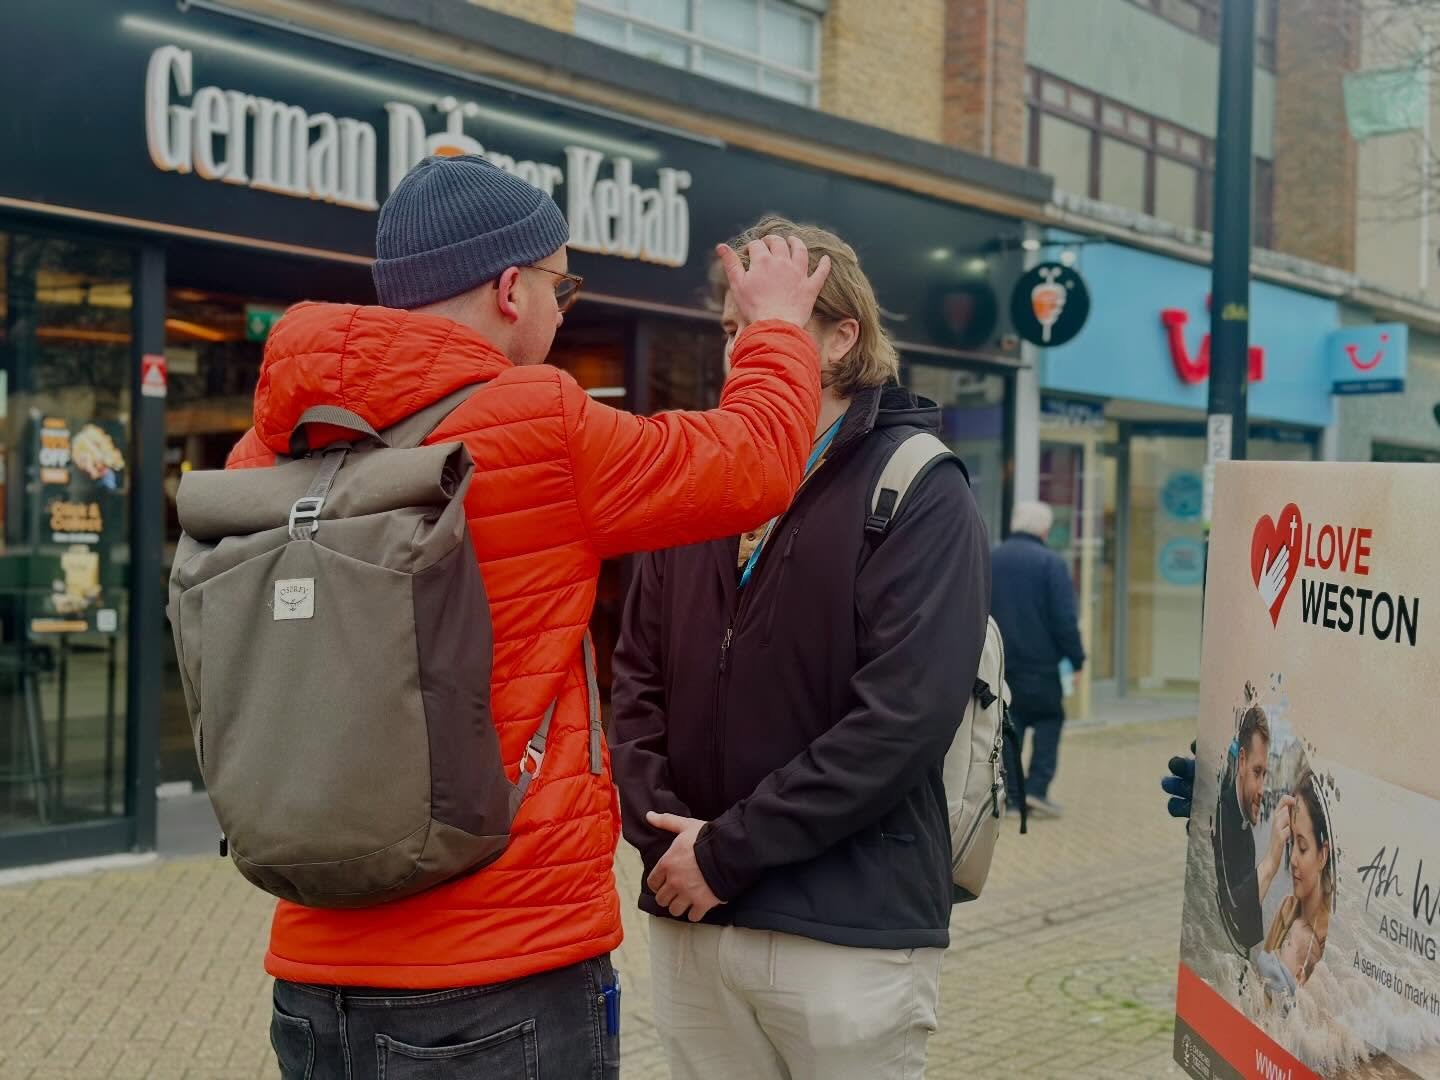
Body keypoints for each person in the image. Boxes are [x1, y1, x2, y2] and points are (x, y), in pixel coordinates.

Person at [226, 156, 832, 1079]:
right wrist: (778, 328)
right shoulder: (536, 421)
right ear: (512, 288)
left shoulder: (266, 446)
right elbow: (754, 462)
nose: (562, 309)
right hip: (499, 969)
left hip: (314, 975)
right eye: (562, 286)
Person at [609, 216, 991, 1080]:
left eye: (763, 323)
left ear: (842, 336)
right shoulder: (699, 478)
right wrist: (664, 842)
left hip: (842, 932)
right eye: (730, 327)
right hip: (692, 916)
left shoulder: (918, 487)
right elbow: (633, 681)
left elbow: (902, 718)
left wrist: (725, 853)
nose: (737, 348)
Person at [990, 500, 1085, 817]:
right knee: (1049, 720)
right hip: (1040, 665)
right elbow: (1064, 618)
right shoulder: (1051, 563)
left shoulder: (991, 558)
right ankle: (1036, 789)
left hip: (999, 664)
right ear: (1044, 530)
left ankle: (1013, 795)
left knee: (1008, 725)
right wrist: (1076, 659)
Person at [1211, 705, 1294, 955]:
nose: (1262, 790)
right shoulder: (1221, 814)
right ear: (1241, 761)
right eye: (1257, 772)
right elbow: (1229, 916)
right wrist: (1271, 862)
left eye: (1265, 775)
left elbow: (1245, 935)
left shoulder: (1246, 831)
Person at [1263, 769, 1333, 967]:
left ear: (1323, 855)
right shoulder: (1287, 908)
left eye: (1302, 847)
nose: (1292, 858)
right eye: (1291, 842)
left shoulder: (1332, 948)